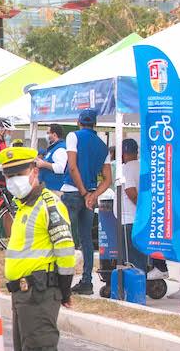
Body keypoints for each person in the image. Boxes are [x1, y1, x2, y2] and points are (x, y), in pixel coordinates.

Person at [0, 146, 75, 351]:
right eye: (9, 176)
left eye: (19, 174)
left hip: (40, 293)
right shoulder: (24, 206)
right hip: (22, 294)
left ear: (35, 171)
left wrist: (65, 291)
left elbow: (66, 251)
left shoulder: (49, 205)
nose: (14, 180)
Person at [63, 109, 109, 296]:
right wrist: (92, 195)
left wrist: (82, 192)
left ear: (78, 122)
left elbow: (72, 167)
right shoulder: (102, 145)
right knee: (86, 240)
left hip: (74, 192)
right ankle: (87, 282)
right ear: (95, 124)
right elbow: (107, 180)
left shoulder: (73, 136)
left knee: (64, 237)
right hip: (89, 197)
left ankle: (62, 280)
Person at [117, 138, 169, 280]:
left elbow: (131, 192)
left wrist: (142, 211)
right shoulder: (142, 166)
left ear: (123, 153)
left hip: (131, 219)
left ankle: (139, 285)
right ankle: (156, 269)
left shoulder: (128, 168)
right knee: (142, 253)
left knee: (134, 258)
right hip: (141, 218)